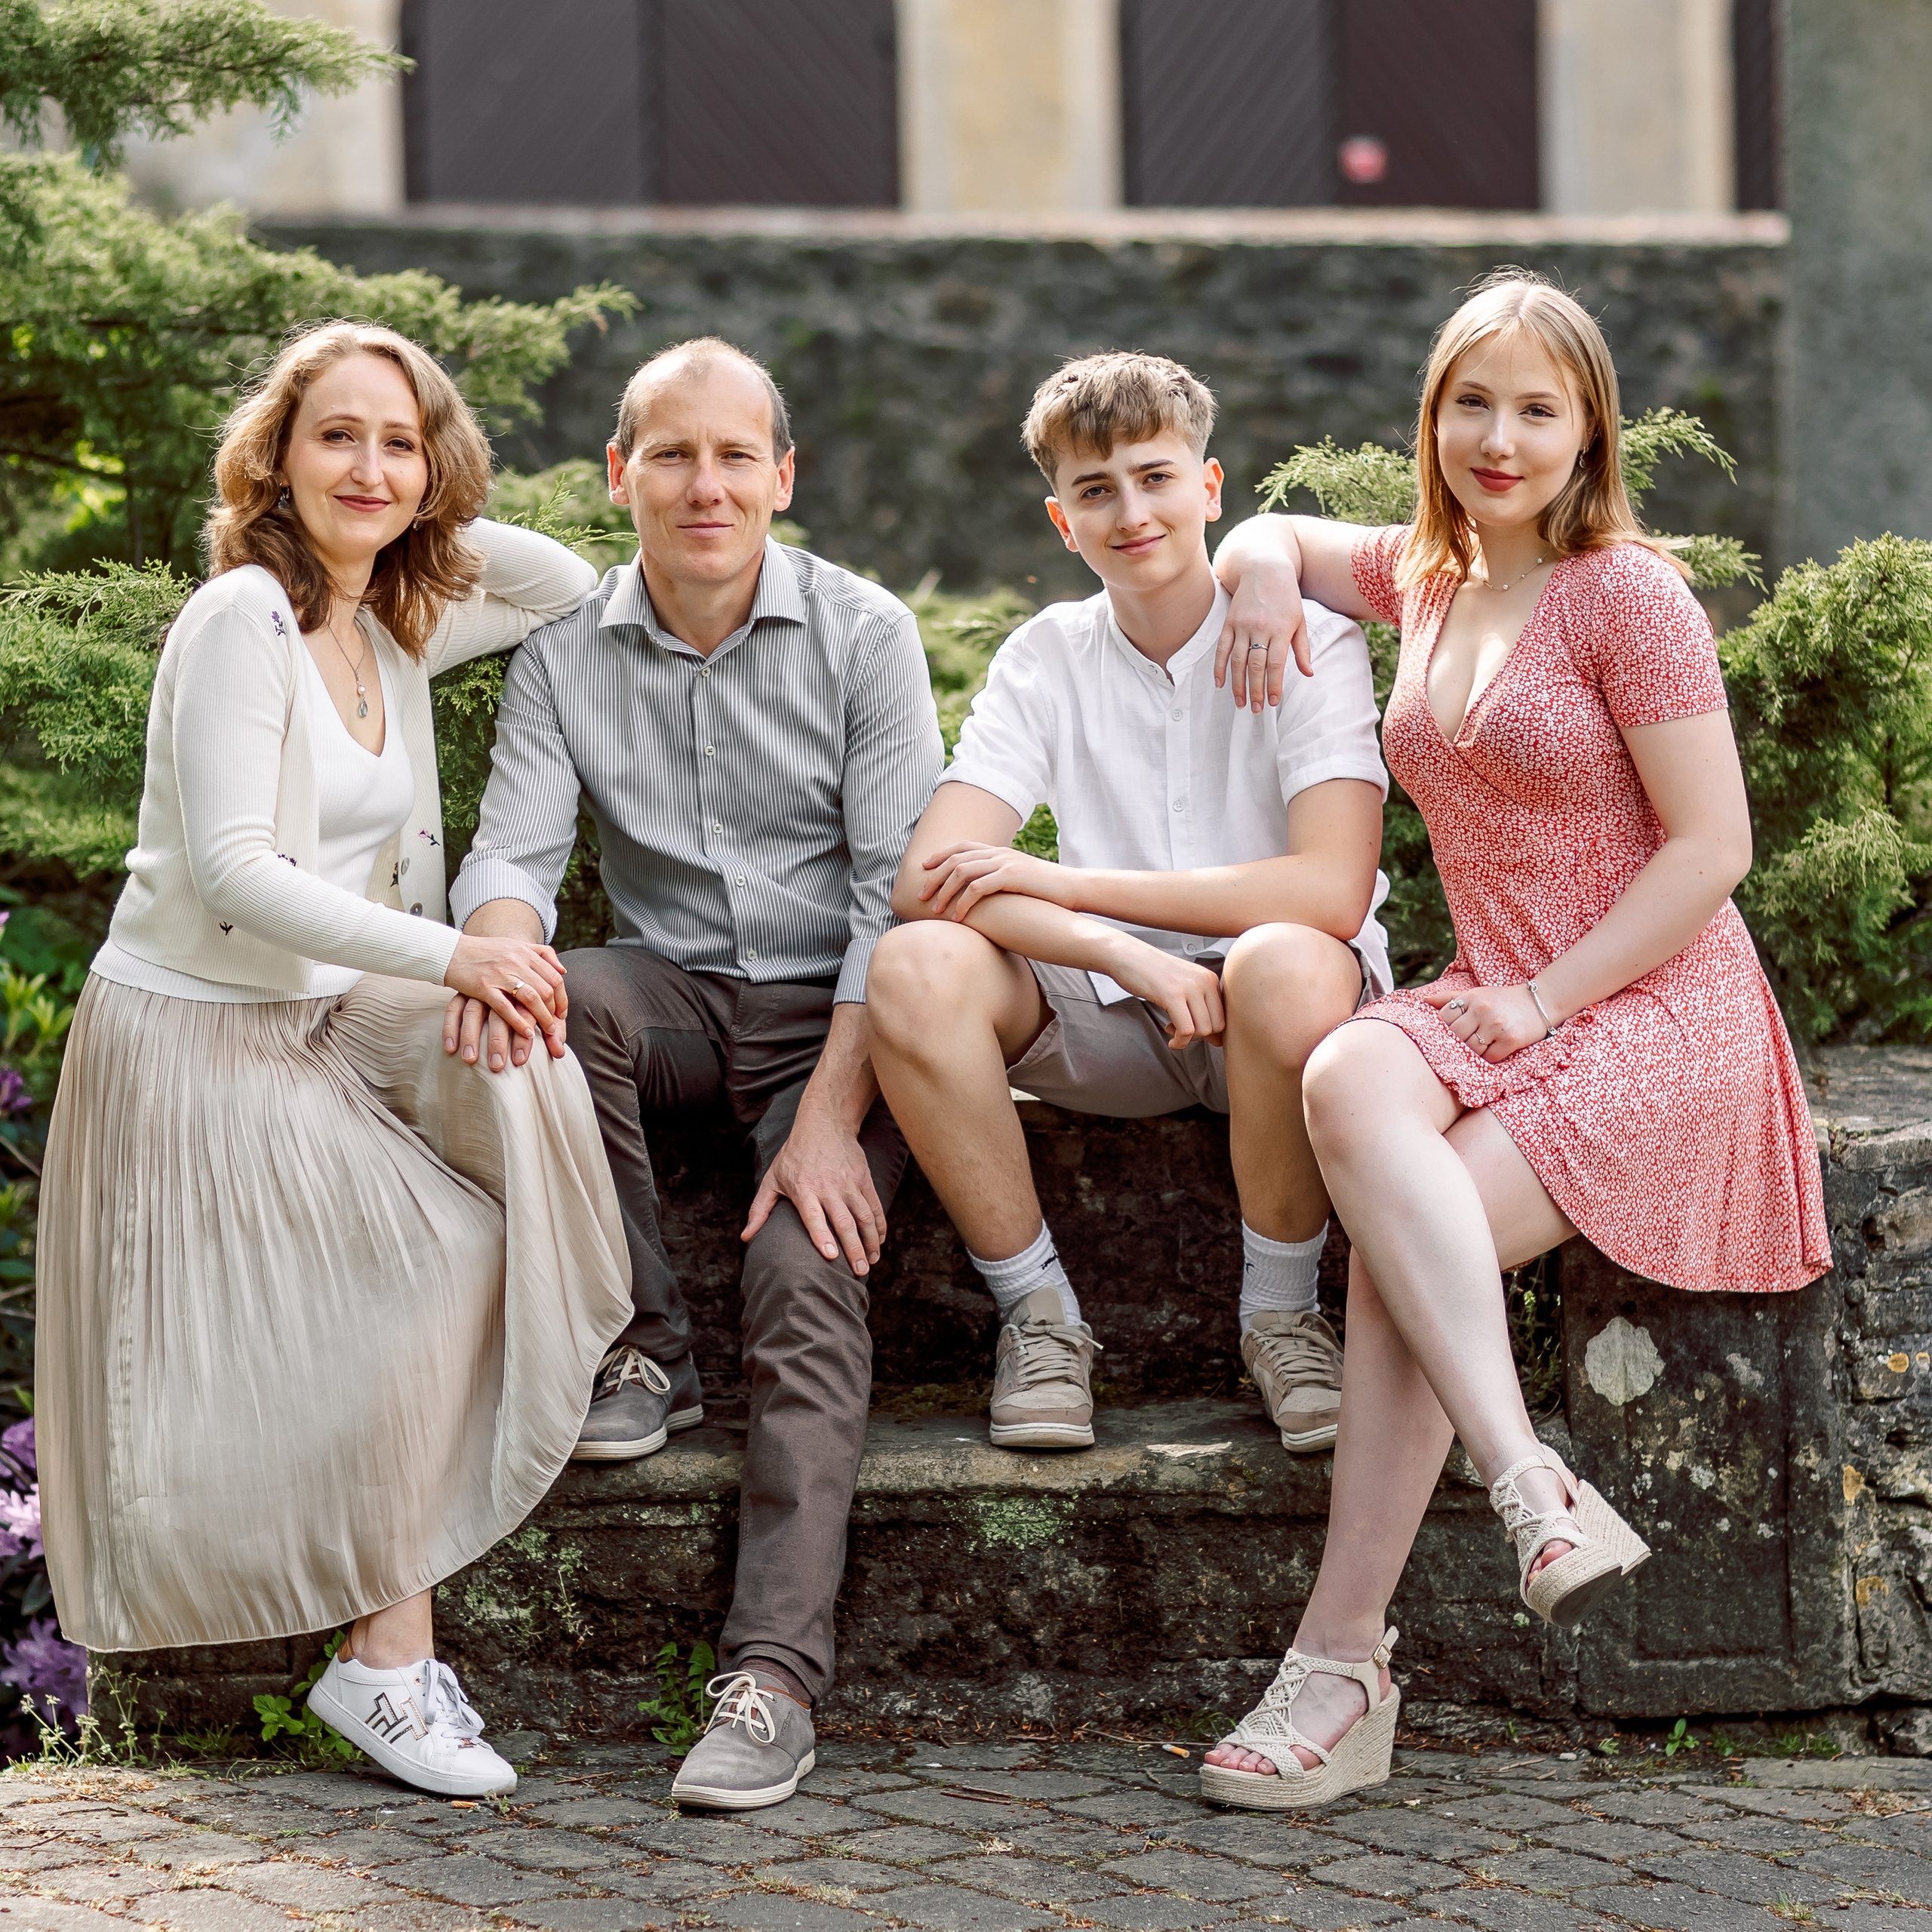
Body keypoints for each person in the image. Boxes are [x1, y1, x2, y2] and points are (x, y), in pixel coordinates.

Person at [1195, 272, 1829, 1810]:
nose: (1499, 438)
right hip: (1499, 993)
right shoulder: (1425, 573)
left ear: (1587, 432)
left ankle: (1340, 1662)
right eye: (1470, 403)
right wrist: (1255, 571)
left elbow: (1714, 848)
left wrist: (1549, 1001)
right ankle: (1528, 1477)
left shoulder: (1628, 597)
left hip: (1653, 1001)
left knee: (1407, 1248)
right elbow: (1268, 528)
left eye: (1537, 410)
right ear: (1430, 418)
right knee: (1346, 1066)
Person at [37, 321, 635, 1800]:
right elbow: (237, 876)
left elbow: (567, 584)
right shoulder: (240, 617)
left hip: (325, 1010)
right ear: (275, 457)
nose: (368, 465)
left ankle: (610, 1349)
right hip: (198, 1033)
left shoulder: (393, 621)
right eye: (336, 437)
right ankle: (385, 1662)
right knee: (442, 1252)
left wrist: (414, 518)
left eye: (399, 441)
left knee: (528, 1056)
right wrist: (455, 954)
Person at [447, 337, 942, 1811]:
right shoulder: (564, 653)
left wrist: (832, 1125)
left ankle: (771, 1680)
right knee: (557, 992)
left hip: (838, 1022)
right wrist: (492, 947)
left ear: (782, 477)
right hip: (666, 999)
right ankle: (642, 1345)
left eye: (735, 456)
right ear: (621, 475)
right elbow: (513, 857)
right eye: (671, 453)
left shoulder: (865, 634)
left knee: (801, 1278)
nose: (704, 485)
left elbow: (898, 907)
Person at [867, 352, 1391, 1457]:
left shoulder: (1312, 638)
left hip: (1286, 1021)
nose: (1133, 513)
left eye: (1157, 478)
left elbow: (1331, 889)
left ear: (1209, 489)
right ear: (1063, 522)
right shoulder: (1046, 657)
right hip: (1111, 1021)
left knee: (1283, 960)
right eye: (1097, 491)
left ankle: (1283, 1319)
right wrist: (1117, 950)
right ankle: (1040, 1319)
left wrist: (1067, 885)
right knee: (912, 966)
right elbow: (928, 877)